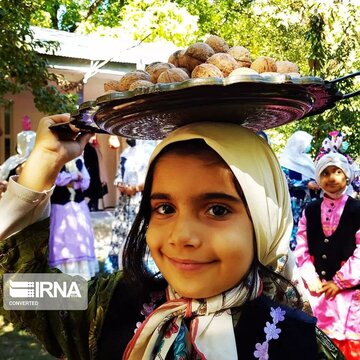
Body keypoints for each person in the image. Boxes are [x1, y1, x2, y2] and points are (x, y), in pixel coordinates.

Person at [0, 114, 344, 359]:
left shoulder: (300, 344)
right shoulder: (108, 305)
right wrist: (44, 164)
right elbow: (17, 289)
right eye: (164, 208)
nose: (182, 236)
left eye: (217, 210)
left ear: (265, 221)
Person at [294, 152, 360, 359]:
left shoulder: (357, 210)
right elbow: (301, 245)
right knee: (318, 339)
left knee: (347, 345)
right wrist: (310, 276)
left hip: (347, 294)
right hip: (318, 291)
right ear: (318, 178)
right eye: (325, 173)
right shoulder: (310, 210)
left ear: (347, 176)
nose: (331, 178)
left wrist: (340, 281)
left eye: (337, 172)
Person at [107, 138, 155, 272]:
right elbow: (118, 176)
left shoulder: (150, 153)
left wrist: (136, 188)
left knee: (140, 231)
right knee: (123, 234)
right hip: (125, 202)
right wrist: (121, 185)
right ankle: (122, 269)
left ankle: (141, 270)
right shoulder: (126, 153)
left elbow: (153, 179)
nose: (129, 139)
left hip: (141, 201)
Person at [49, 155, 99, 280]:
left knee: (80, 240)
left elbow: (86, 181)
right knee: (62, 240)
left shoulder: (78, 160)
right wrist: (74, 177)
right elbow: (55, 179)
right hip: (61, 208)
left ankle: (82, 274)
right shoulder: (55, 160)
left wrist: (73, 182)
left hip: (78, 207)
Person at [279, 130, 320, 250]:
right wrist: (307, 184)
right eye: (307, 143)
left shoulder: (306, 160)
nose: (309, 146)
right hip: (293, 202)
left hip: (308, 202)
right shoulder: (285, 162)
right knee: (293, 227)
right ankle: (291, 253)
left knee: (306, 228)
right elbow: (286, 182)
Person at [316, 130, 359, 197]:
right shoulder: (322, 159)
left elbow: (356, 177)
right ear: (335, 141)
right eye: (343, 140)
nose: (345, 143)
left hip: (348, 196)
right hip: (327, 197)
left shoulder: (345, 157)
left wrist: (354, 194)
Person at [83, 135, 106, 211]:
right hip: (92, 173)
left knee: (94, 192)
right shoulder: (89, 148)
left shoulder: (90, 148)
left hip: (93, 173)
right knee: (94, 192)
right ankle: (92, 206)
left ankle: (92, 206)